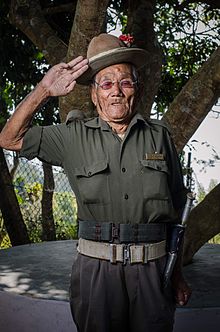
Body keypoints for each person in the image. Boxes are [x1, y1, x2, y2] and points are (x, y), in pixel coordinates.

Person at [0, 33, 191, 332]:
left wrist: (176, 273)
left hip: (153, 272)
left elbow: (179, 208)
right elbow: (8, 138)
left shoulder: (159, 135)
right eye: (106, 83)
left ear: (137, 91)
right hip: (96, 273)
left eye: (125, 82)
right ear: (94, 94)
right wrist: (44, 91)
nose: (116, 91)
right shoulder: (72, 137)